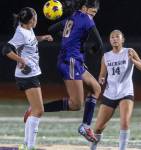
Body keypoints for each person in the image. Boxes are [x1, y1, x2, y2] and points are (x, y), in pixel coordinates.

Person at [24, 0, 104, 142]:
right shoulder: (86, 19)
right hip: (71, 61)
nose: (93, 15)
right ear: (85, 8)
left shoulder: (73, 17)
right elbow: (99, 44)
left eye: (95, 13)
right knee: (76, 104)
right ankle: (36, 108)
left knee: (96, 89)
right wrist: (91, 51)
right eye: (92, 11)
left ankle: (85, 126)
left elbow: (52, 28)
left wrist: (68, 36)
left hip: (73, 60)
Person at [2, 7, 53, 150]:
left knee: (36, 110)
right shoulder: (21, 33)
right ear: (31, 20)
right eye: (36, 17)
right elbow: (6, 49)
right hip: (26, 75)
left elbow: (30, 41)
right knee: (39, 111)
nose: (37, 19)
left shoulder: (27, 29)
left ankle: (26, 145)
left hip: (32, 73)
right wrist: (21, 60)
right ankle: (29, 146)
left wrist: (41, 38)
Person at [90, 30, 141, 150]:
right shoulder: (106, 56)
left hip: (126, 92)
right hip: (110, 94)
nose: (114, 39)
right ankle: (93, 148)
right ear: (110, 40)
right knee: (98, 127)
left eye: (117, 37)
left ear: (122, 39)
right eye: (112, 37)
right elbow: (102, 75)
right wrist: (100, 80)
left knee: (125, 123)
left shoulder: (129, 51)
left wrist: (134, 61)